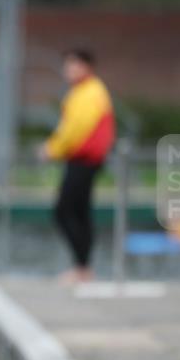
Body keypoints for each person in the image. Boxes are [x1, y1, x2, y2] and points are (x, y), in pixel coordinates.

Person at [38, 48, 115, 284]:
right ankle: (83, 267)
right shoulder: (84, 92)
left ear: (87, 67)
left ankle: (82, 267)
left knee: (65, 211)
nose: (69, 71)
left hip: (84, 160)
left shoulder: (89, 93)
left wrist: (52, 149)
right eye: (67, 65)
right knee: (80, 212)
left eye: (74, 65)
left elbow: (75, 129)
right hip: (83, 159)